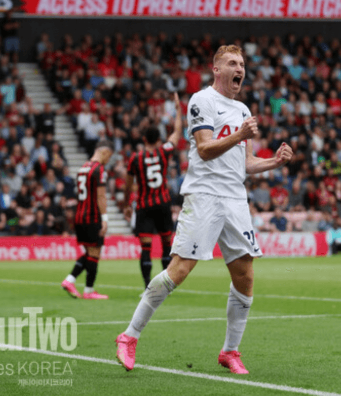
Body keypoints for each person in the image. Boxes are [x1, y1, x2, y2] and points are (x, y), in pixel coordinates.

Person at [115, 45, 293, 374]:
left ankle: (230, 351)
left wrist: (275, 161)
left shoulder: (242, 109)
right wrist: (240, 133)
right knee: (179, 270)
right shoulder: (202, 100)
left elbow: (247, 163)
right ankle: (129, 336)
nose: (239, 68)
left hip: (236, 199)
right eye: (232, 63)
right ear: (217, 70)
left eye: (242, 63)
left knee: (245, 275)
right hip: (205, 195)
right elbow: (205, 149)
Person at [124, 93, 183, 289]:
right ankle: (166, 286)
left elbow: (127, 184)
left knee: (146, 248)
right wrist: (178, 109)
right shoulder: (164, 151)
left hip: (144, 205)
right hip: (163, 203)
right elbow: (176, 132)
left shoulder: (134, 158)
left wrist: (126, 204)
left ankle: (147, 286)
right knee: (167, 245)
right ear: (159, 139)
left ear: (143, 139)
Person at [61, 140, 114, 300]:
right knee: (94, 253)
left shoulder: (83, 167)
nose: (108, 160)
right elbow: (100, 196)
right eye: (109, 156)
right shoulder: (99, 169)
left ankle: (72, 282)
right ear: (104, 152)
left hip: (80, 216)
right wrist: (104, 218)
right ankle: (88, 290)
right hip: (92, 216)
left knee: (89, 253)